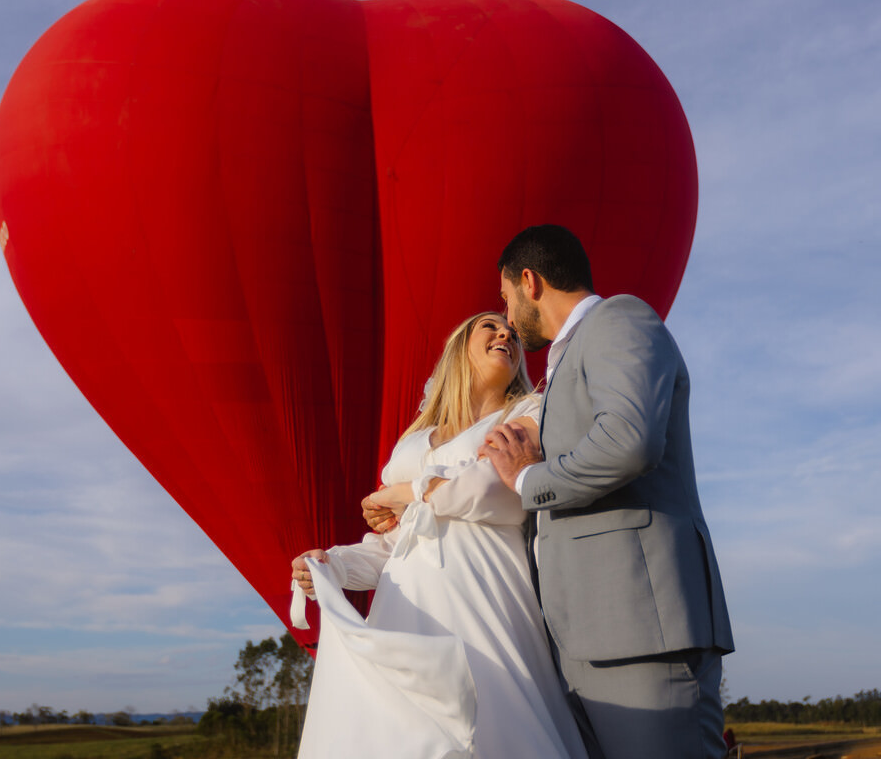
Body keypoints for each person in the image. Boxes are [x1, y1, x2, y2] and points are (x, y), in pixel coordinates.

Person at [482, 224, 736, 759]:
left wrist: (530, 480)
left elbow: (628, 441)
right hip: (580, 640)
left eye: (504, 297)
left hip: (643, 629)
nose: (506, 316)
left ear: (529, 282)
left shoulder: (620, 319)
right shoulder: (562, 367)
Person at [290, 312, 588, 759]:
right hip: (404, 609)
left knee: (497, 720)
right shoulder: (414, 442)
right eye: (489, 326)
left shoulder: (528, 412)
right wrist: (333, 564)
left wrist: (405, 492)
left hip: (484, 593)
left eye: (510, 331)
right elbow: (392, 544)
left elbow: (495, 488)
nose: (505, 332)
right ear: (457, 349)